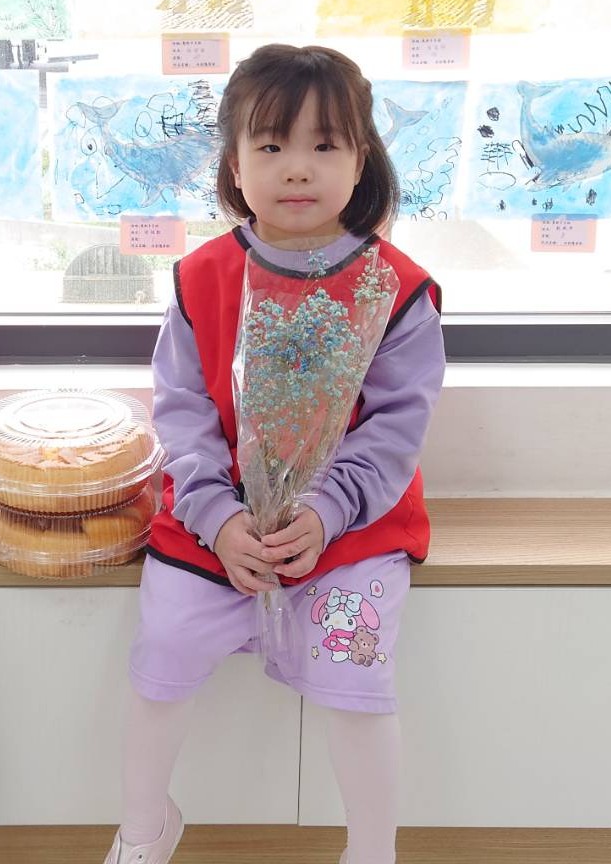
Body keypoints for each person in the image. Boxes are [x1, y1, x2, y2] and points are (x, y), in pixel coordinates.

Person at [103, 44, 445, 864]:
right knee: (164, 655)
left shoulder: (397, 287)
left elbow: (394, 429)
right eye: (270, 145)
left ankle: (372, 850)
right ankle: (143, 827)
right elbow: (181, 412)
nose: (297, 167)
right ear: (233, 164)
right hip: (213, 522)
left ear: (360, 160)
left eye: (324, 144)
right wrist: (217, 519)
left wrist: (325, 514)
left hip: (349, 530)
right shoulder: (201, 277)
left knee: (354, 678)